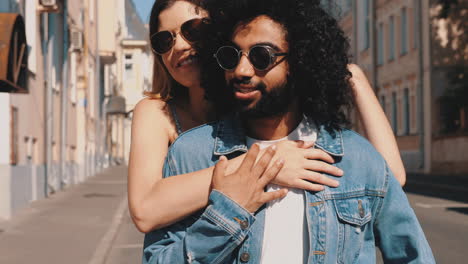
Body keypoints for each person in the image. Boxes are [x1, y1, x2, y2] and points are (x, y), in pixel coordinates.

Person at [142, 0, 435, 263]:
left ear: (299, 62)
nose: (242, 71)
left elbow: (410, 248)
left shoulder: (355, 157)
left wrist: (351, 75)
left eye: (261, 56)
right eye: (231, 56)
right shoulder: (191, 153)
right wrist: (228, 212)